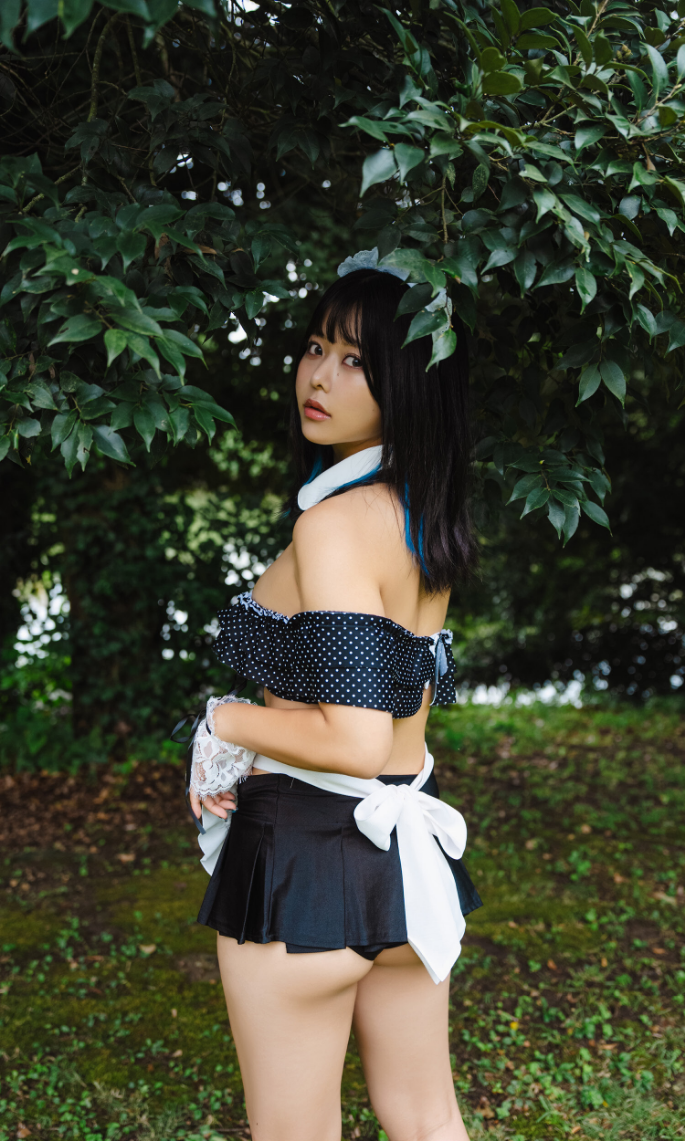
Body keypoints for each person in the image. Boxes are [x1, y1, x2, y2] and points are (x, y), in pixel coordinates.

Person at [189, 252, 481, 1141]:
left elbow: (355, 738)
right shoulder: (421, 517)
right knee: (427, 1120)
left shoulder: (335, 524)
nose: (319, 376)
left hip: (304, 859)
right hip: (403, 861)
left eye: (356, 359)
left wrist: (221, 720)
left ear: (408, 382)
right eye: (317, 346)